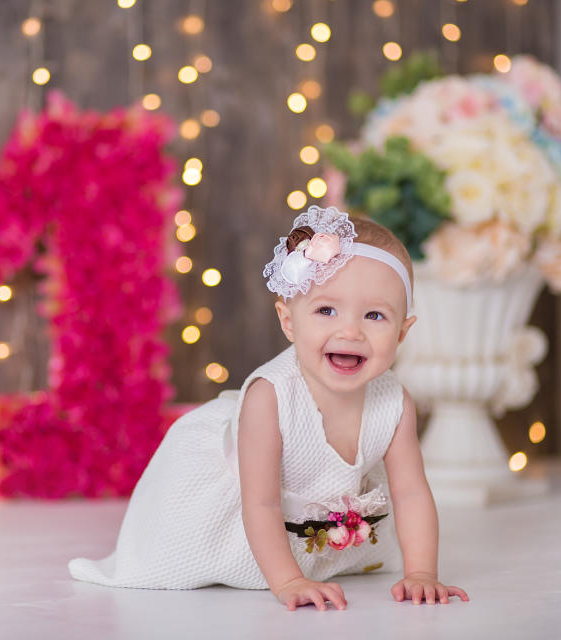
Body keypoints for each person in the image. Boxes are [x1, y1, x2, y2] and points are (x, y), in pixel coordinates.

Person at [69, 205, 469, 610]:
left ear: (402, 333)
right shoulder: (270, 396)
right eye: (326, 310)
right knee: (191, 556)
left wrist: (421, 573)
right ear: (288, 320)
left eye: (375, 315)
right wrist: (289, 581)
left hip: (311, 520)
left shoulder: (395, 402)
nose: (350, 330)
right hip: (238, 514)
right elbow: (260, 502)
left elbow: (412, 493)